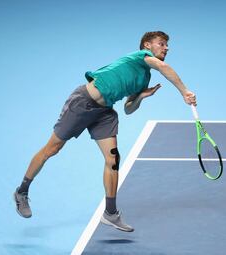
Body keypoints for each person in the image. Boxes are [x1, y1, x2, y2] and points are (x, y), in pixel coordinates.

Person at [13, 31, 197, 232]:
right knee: (51, 149)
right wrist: (184, 91)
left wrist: (142, 96)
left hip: (104, 112)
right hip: (82, 103)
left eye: (167, 45)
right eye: (161, 44)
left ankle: (110, 213)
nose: (166, 48)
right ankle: (22, 191)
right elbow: (163, 67)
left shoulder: (144, 78)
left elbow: (128, 109)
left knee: (113, 159)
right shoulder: (140, 57)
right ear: (147, 46)